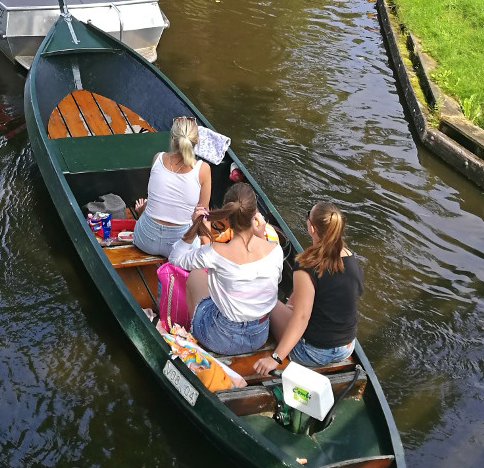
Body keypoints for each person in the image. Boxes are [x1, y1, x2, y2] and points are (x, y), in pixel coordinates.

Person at [168, 183, 284, 357]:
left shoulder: (215, 252)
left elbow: (175, 258)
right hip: (259, 336)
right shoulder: (275, 249)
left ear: (227, 218)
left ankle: (195, 333)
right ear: (255, 215)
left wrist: (195, 229)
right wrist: (261, 237)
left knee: (196, 275)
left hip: (221, 339)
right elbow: (277, 280)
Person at [253, 202, 363, 375]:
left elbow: (302, 317)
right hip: (346, 348)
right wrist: (291, 306)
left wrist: (275, 358)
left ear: (312, 228)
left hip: (312, 353)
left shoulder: (307, 266)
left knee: (269, 300)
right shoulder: (351, 259)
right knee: (294, 305)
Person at [132, 117, 212, 258]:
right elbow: (202, 213)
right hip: (179, 248)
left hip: (144, 240)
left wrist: (143, 212)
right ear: (197, 140)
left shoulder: (158, 158)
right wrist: (208, 243)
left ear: (172, 138)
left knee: (147, 209)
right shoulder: (203, 169)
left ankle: (142, 214)